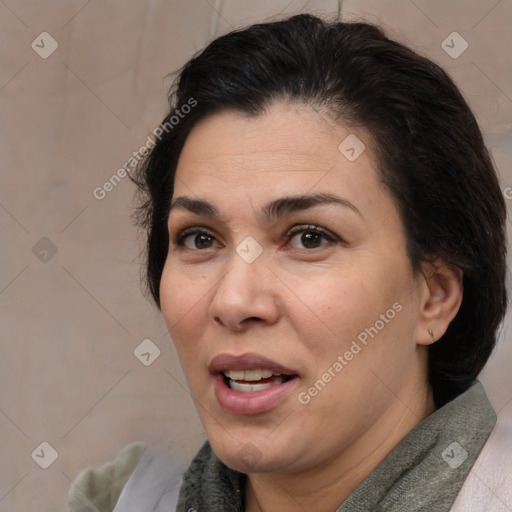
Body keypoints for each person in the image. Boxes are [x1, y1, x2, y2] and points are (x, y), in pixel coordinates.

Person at [68, 13, 511, 512]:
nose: (234, 301)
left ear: (434, 296)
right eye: (199, 238)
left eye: (309, 237)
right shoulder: (118, 501)